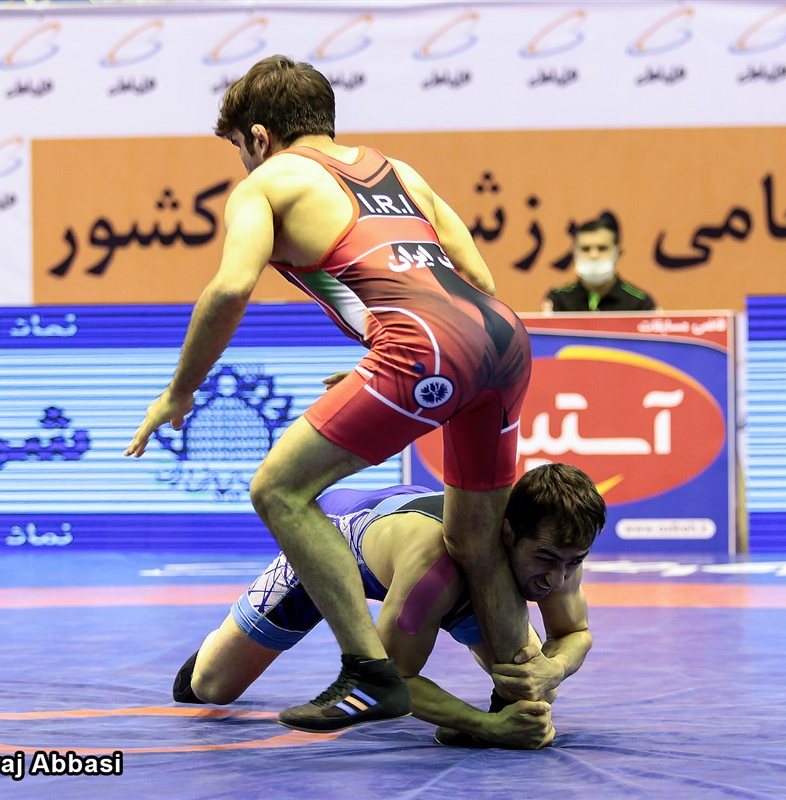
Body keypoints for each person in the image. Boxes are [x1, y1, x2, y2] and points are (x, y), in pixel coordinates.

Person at [124, 55, 537, 733]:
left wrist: (179, 392)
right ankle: (526, 702)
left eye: (240, 148)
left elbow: (230, 289)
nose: (243, 162)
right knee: (477, 538)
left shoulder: (269, 182)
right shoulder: (400, 172)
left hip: (424, 349)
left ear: (259, 137)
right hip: (503, 341)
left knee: (278, 490)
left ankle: (368, 672)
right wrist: (408, 359)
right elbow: (478, 279)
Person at [172, 463, 607, 748]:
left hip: (411, 530)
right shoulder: (435, 571)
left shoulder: (559, 549)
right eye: (546, 559)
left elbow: (573, 632)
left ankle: (499, 710)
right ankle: (223, 641)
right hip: (336, 541)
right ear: (510, 535)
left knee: (535, 677)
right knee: (208, 689)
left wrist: (555, 668)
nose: (557, 579)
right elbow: (392, 679)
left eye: (573, 562)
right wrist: (486, 725)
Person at [543, 213, 657, 312]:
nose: (594, 255)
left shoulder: (640, 303)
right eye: (585, 249)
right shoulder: (559, 299)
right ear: (574, 253)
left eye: (602, 248)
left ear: (618, 253)